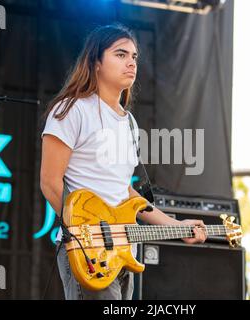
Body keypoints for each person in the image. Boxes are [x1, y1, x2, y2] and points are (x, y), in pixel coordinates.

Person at [40, 24, 206, 300]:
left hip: (124, 251)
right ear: (95, 62)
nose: (131, 62)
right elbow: (49, 181)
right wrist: (85, 236)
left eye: (134, 56)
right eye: (120, 54)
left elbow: (125, 192)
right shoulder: (71, 109)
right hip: (89, 252)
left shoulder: (128, 122)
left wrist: (177, 226)